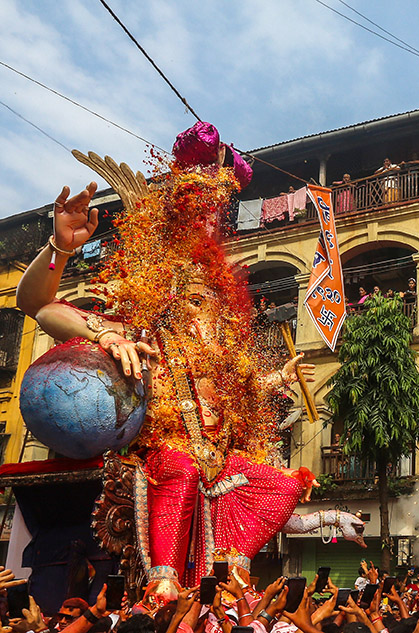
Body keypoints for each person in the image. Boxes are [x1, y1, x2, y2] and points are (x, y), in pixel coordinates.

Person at [17, 128, 367, 593]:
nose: (203, 307)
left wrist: (273, 381)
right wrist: (89, 303)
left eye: (209, 296)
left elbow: (231, 397)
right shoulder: (145, 323)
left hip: (221, 460)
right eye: (193, 296)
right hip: (167, 453)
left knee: (280, 484)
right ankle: (164, 589)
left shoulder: (221, 343)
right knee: (180, 470)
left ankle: (230, 578)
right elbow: (39, 305)